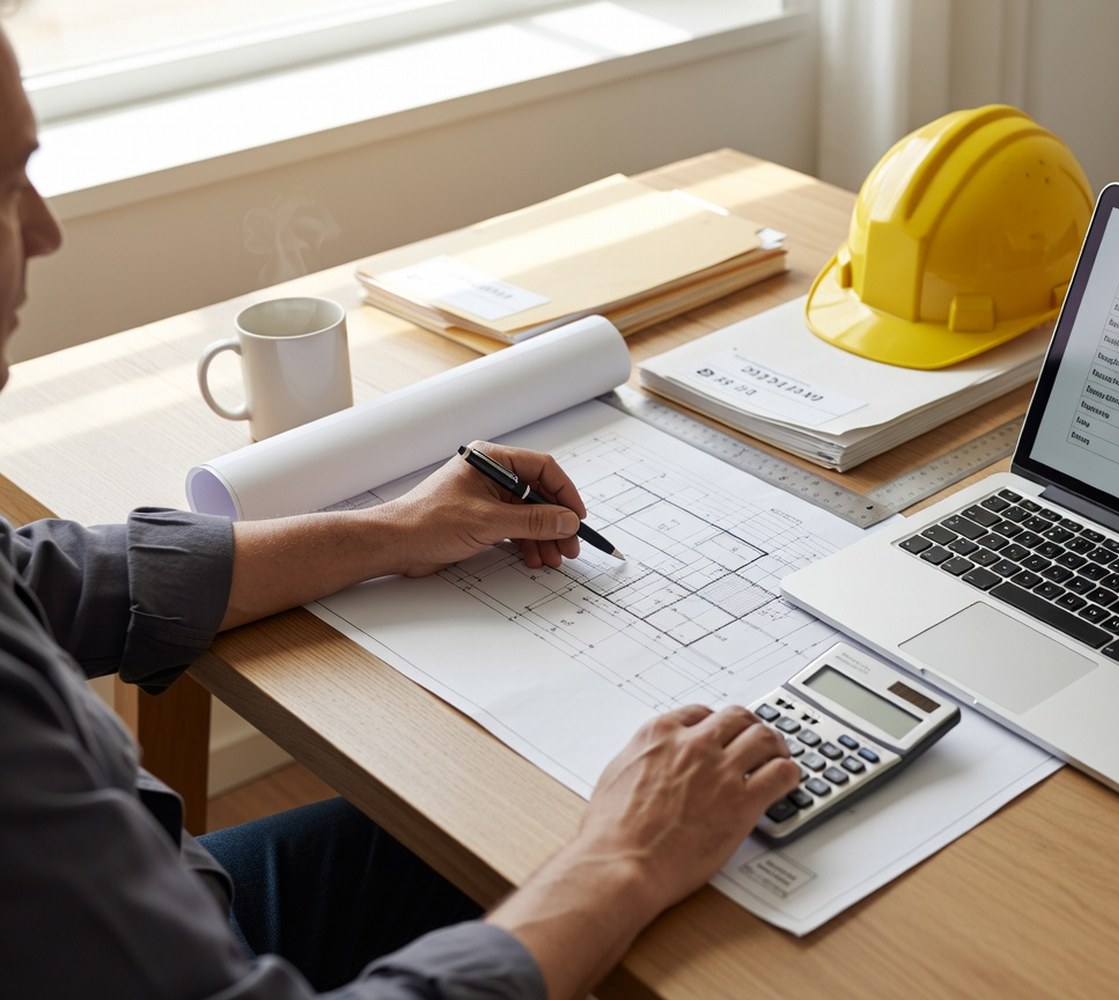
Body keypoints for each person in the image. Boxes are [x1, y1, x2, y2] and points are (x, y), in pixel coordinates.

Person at [0, 22, 799, 1000]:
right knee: (632, 886)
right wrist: (619, 862)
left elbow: (40, 576)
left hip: (171, 899)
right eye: (2, 187)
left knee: (483, 836)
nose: (44, 230)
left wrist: (395, 532)